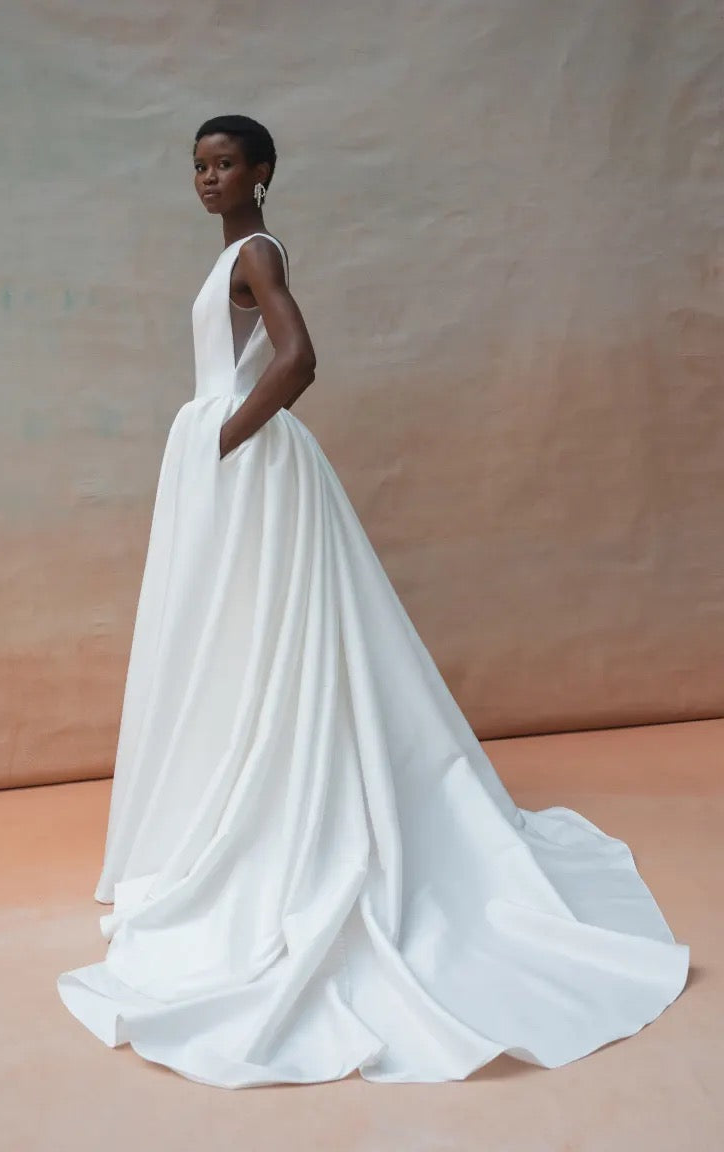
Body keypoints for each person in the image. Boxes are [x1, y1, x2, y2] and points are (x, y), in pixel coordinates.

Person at [57, 115, 689, 1088]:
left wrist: (223, 440)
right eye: (198, 164)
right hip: (231, 465)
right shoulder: (231, 257)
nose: (208, 177)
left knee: (264, 637)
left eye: (225, 163)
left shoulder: (256, 252)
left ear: (262, 172)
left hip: (247, 469)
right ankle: (227, 799)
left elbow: (299, 357)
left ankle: (285, 812)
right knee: (233, 640)